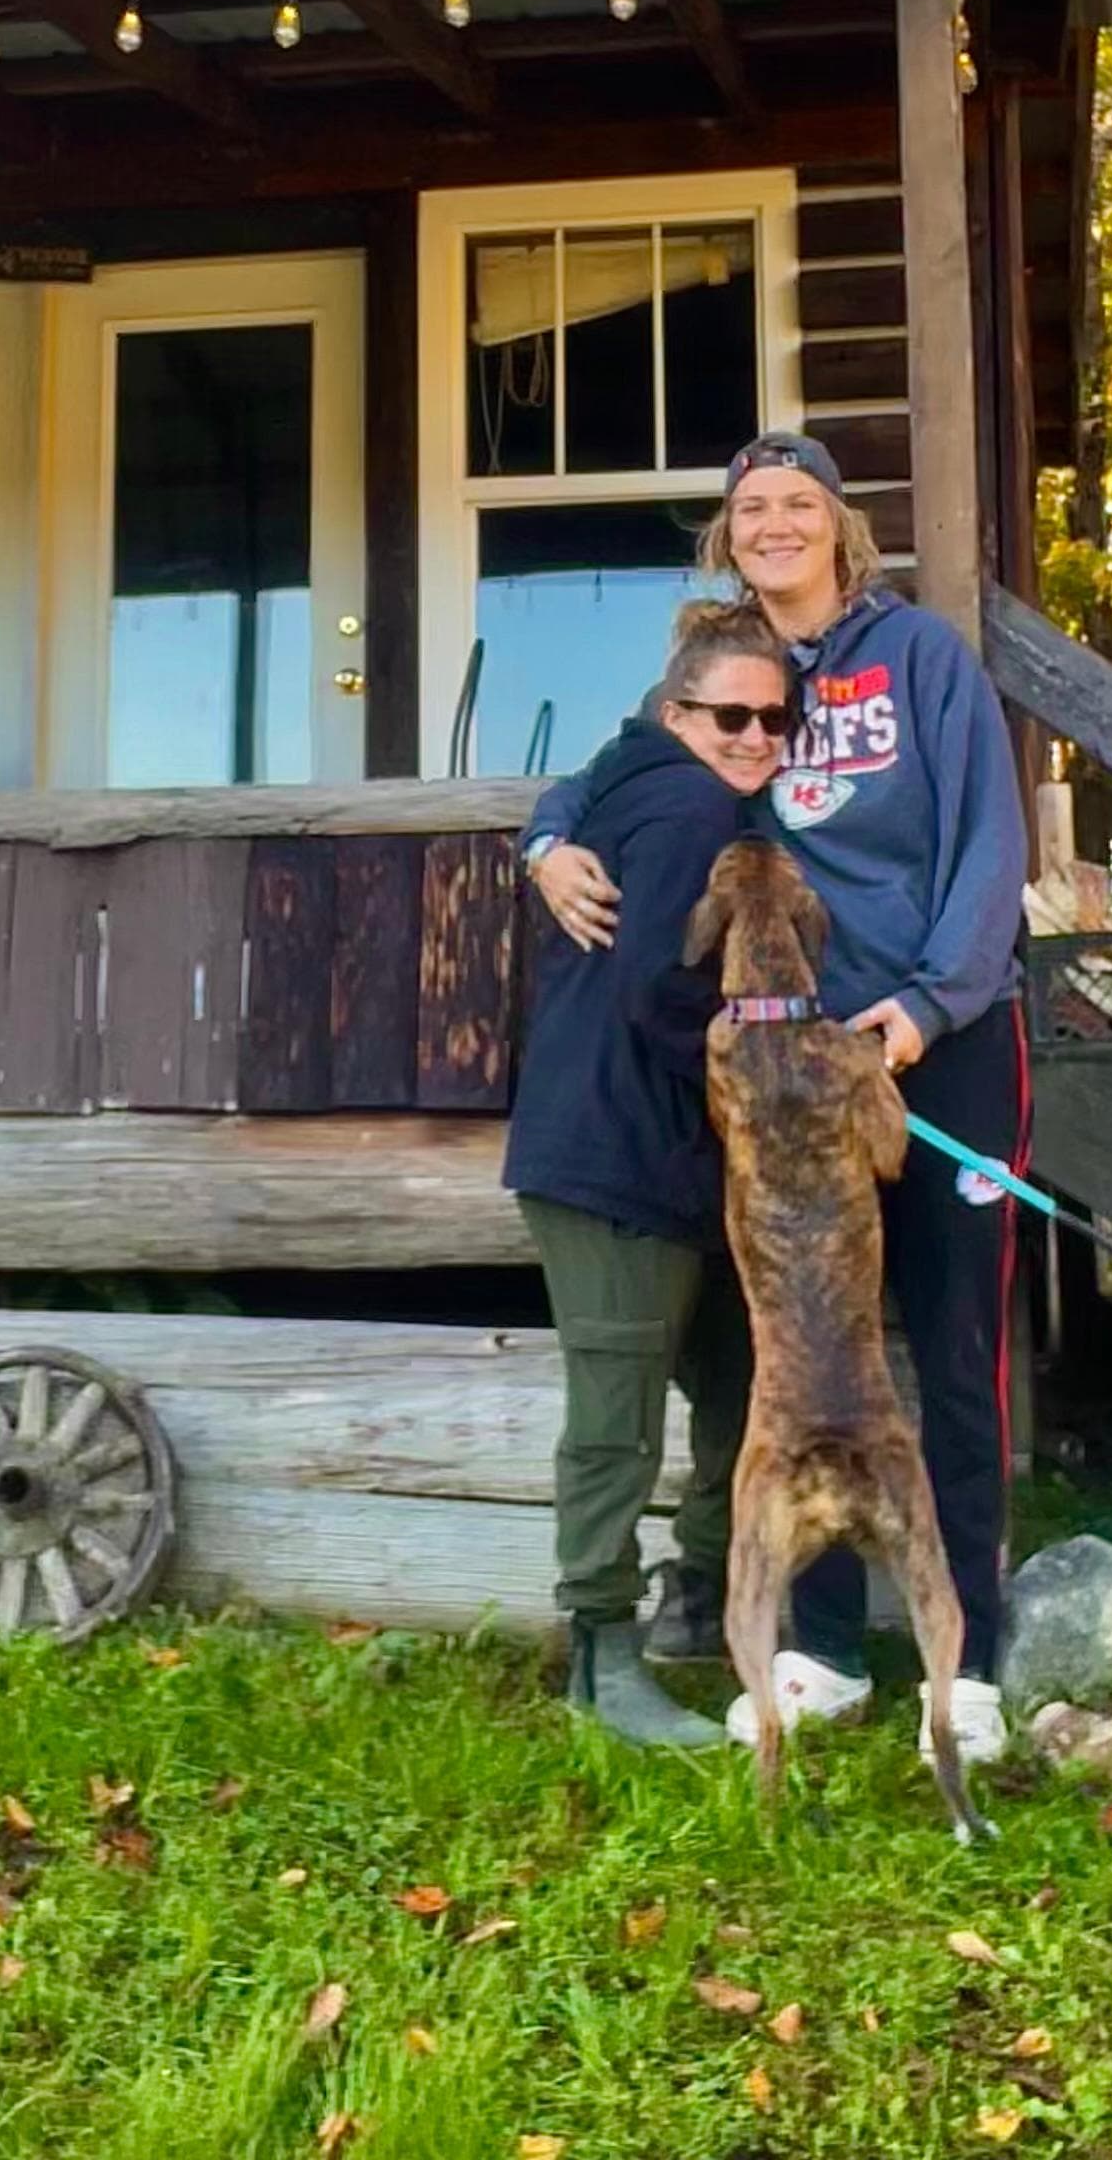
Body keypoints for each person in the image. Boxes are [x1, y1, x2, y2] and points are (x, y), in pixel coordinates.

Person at [523, 430, 1029, 1765]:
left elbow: (992, 839)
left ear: (841, 526)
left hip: (934, 1038)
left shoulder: (919, 658)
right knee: (809, 1357)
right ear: (728, 535)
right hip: (795, 1059)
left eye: (800, 502)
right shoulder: (736, 671)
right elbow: (608, 769)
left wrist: (930, 1006)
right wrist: (543, 841)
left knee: (950, 1347)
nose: (775, 524)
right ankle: (823, 1651)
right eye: (753, 507)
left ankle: (971, 1657)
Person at [504, 598, 795, 1747]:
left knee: (737, 1377)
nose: (757, 737)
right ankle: (601, 1652)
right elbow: (661, 990)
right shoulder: (691, 807)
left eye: (776, 719)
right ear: (676, 714)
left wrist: (544, 838)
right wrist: (776, 1064)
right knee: (616, 1416)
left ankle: (700, 1602)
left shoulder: (624, 783)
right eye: (732, 716)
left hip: (667, 1151)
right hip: (615, 1151)